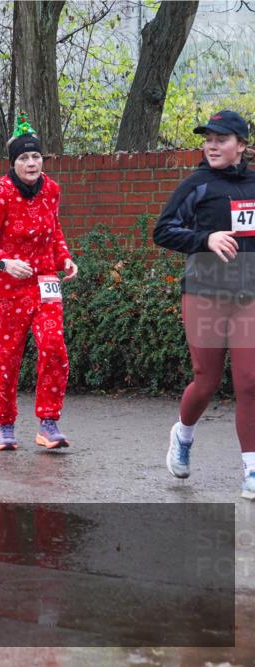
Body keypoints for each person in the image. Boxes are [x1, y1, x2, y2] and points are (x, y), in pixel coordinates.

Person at [154, 110, 255, 500]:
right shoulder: (196, 183)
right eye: (207, 139)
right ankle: (183, 434)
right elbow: (163, 230)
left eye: (221, 139)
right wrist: (206, 238)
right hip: (205, 293)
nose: (211, 145)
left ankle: (250, 469)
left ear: (241, 146)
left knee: (249, 383)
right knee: (207, 382)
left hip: (248, 295)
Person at [0, 112, 78, 451]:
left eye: (35, 156)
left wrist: (65, 258)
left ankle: (49, 422)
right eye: (23, 158)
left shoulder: (51, 191)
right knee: (8, 357)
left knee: (53, 346)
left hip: (45, 281)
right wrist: (4, 262)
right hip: (7, 289)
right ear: (13, 163)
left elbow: (54, 230)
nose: (31, 163)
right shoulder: (1, 195)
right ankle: (4, 424)